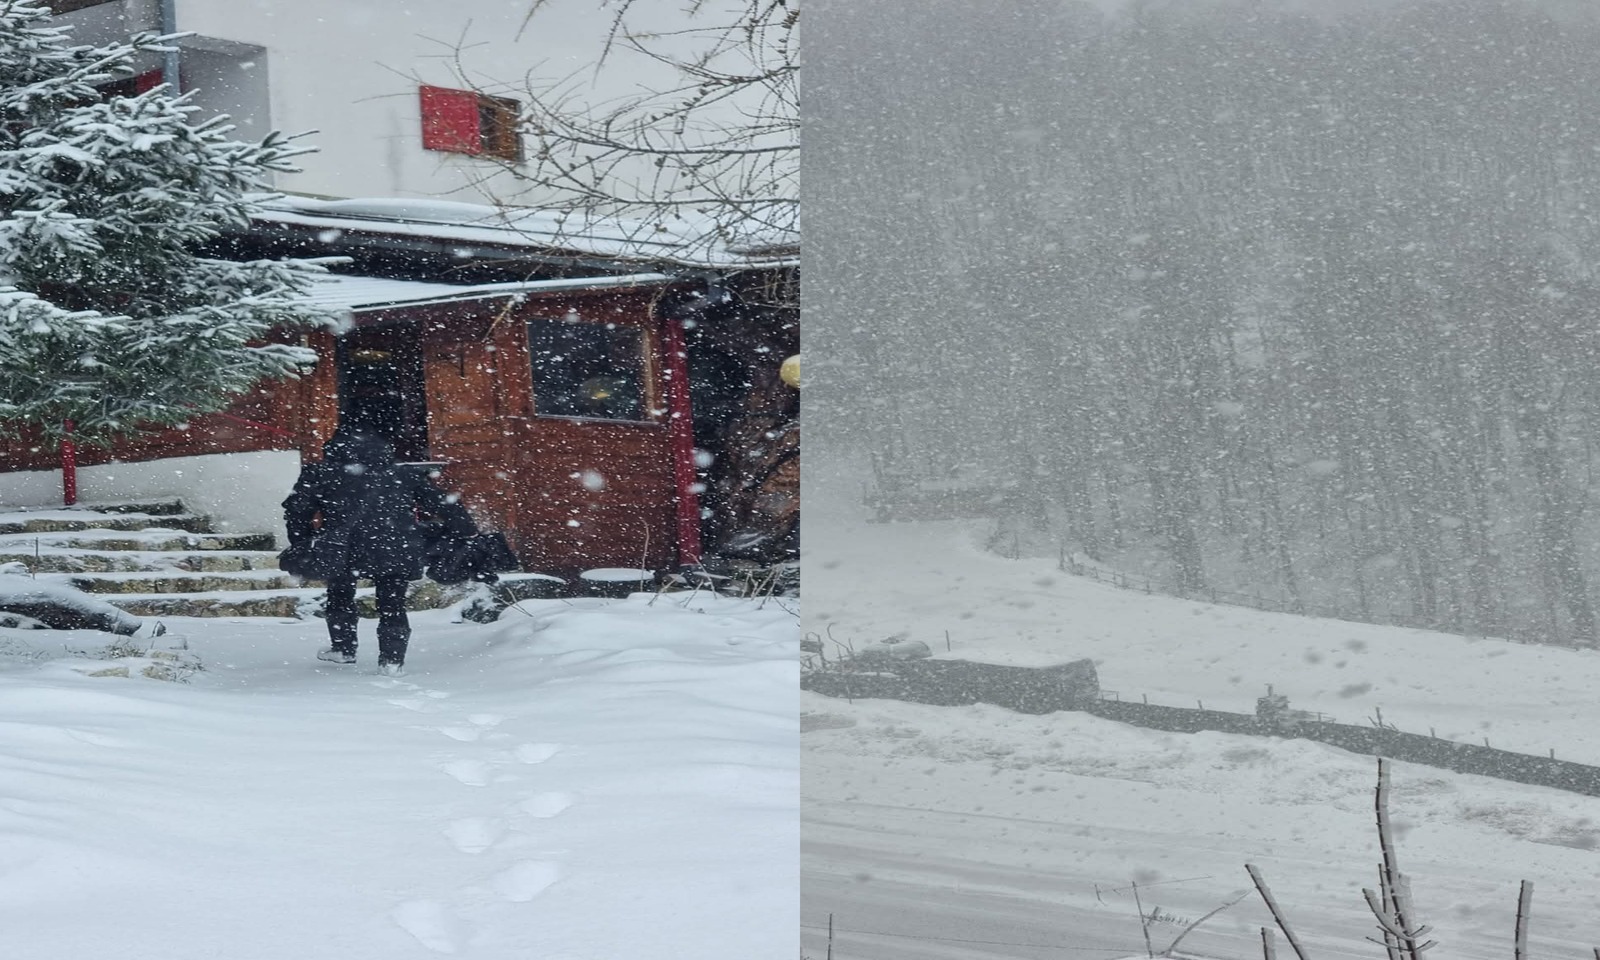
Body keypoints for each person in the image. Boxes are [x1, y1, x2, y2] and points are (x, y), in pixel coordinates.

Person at [281, 429, 475, 676]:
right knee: (393, 603)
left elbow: (296, 512)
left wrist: (303, 543)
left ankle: (343, 649)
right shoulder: (403, 474)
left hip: (342, 546)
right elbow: (445, 504)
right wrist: (467, 532)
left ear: (332, 449)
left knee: (340, 594)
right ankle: (391, 661)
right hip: (395, 547)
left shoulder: (319, 473)